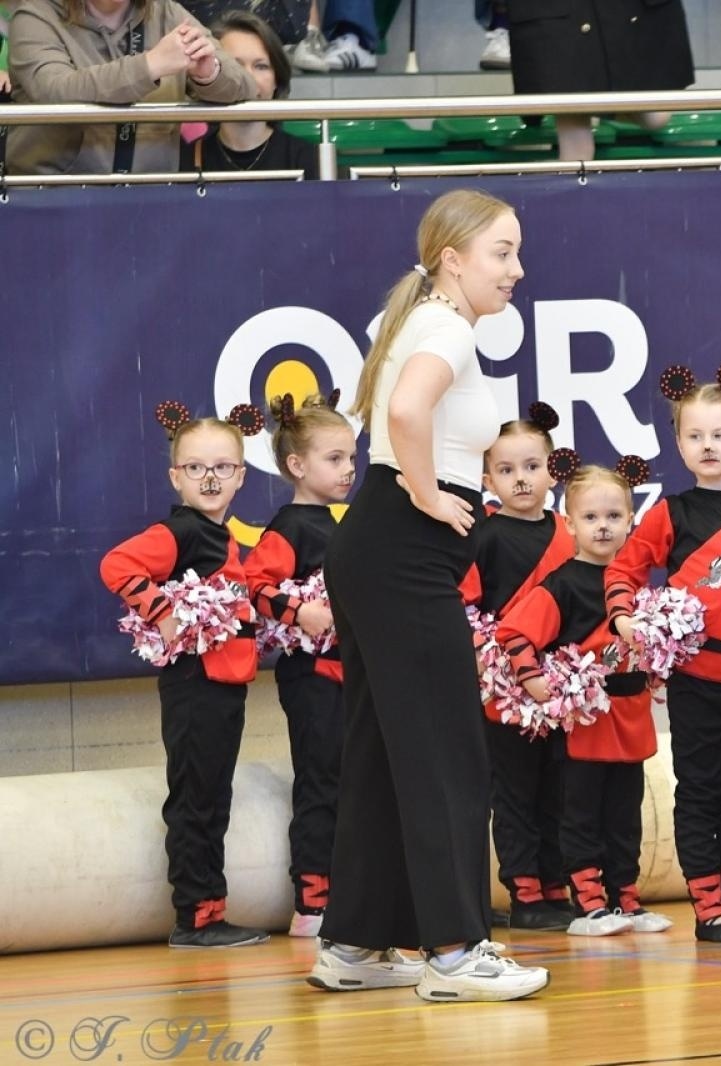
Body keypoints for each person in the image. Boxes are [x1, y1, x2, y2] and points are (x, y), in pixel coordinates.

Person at [307, 189, 549, 1004]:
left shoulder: (428, 319)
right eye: (502, 253)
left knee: (383, 750)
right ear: (454, 260)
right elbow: (406, 411)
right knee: (447, 749)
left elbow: (407, 411)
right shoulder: (443, 324)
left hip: (382, 552)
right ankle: (455, 951)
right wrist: (426, 494)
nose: (516, 270)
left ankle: (352, 944)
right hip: (401, 549)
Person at [604, 363, 721, 943]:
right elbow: (624, 569)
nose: (708, 446)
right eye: (695, 436)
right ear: (679, 443)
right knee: (701, 786)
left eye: (720, 435)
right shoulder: (670, 513)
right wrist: (627, 619)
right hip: (697, 679)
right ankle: (709, 907)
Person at [101, 403, 270, 949]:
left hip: (222, 687)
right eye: (196, 468)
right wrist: (160, 610)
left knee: (211, 795)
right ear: (176, 476)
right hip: (195, 686)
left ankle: (208, 910)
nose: (210, 478)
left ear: (242, 475)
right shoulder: (182, 531)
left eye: (223, 467)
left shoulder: (217, 536)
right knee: (196, 796)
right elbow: (117, 565)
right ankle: (195, 916)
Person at [499, 456, 672, 939]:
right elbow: (514, 633)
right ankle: (589, 904)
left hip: (631, 714)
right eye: (591, 518)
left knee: (624, 816)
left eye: (614, 517)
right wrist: (534, 680)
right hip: (586, 721)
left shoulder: (635, 583)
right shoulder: (562, 583)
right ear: (569, 523)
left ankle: (626, 900)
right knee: (580, 815)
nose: (602, 527)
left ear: (632, 520)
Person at [460, 405, 576, 933]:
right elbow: (466, 609)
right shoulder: (482, 536)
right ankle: (524, 890)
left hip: (561, 686)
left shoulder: (569, 532)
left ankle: (556, 884)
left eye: (532, 466)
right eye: (506, 471)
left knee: (560, 786)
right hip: (503, 689)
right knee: (513, 790)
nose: (521, 479)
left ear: (553, 470)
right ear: (487, 480)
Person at [244, 392, 355, 939]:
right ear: (296, 465)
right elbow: (253, 586)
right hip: (310, 677)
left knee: (347, 781)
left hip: (345, 675)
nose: (349, 470)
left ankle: (347, 892)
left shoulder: (335, 524)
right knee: (320, 780)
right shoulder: (289, 526)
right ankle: (311, 902)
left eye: (352, 458)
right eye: (335, 459)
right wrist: (299, 609)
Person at [6, 0, 251, 174]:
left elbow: (244, 86)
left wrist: (209, 74)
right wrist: (150, 65)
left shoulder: (166, 12)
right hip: (56, 199)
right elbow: (55, 91)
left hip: (148, 200)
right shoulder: (36, 15)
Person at [506, 0, 693, 161]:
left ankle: (599, 109)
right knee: (576, 142)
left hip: (624, 12)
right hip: (557, 16)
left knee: (656, 118)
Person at [183, 11, 319, 178]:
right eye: (235, 65)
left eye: (261, 66)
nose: (249, 78)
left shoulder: (307, 159)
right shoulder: (186, 159)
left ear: (277, 78)